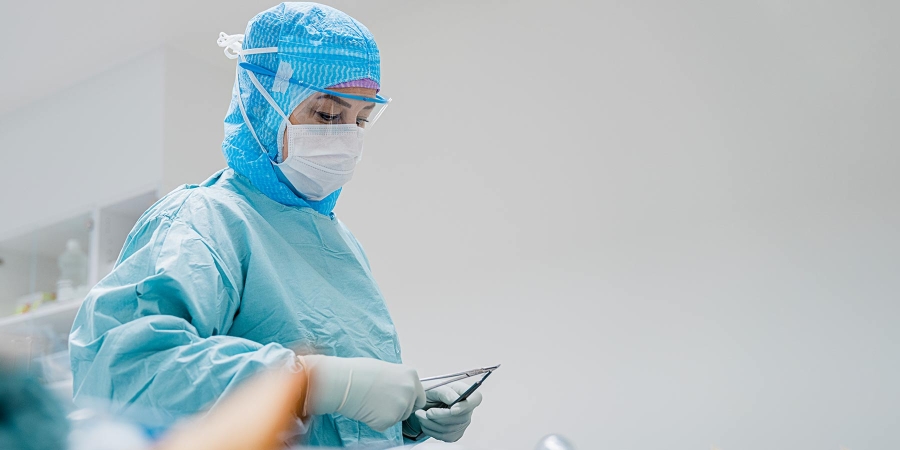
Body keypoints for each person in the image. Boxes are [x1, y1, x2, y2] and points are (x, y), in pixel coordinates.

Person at [69, 2, 482, 447]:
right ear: (263, 106)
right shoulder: (206, 221)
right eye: (327, 115)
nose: (347, 137)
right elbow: (122, 372)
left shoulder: (339, 244)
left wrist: (408, 417)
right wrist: (309, 383)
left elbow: (332, 419)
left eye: (361, 120)